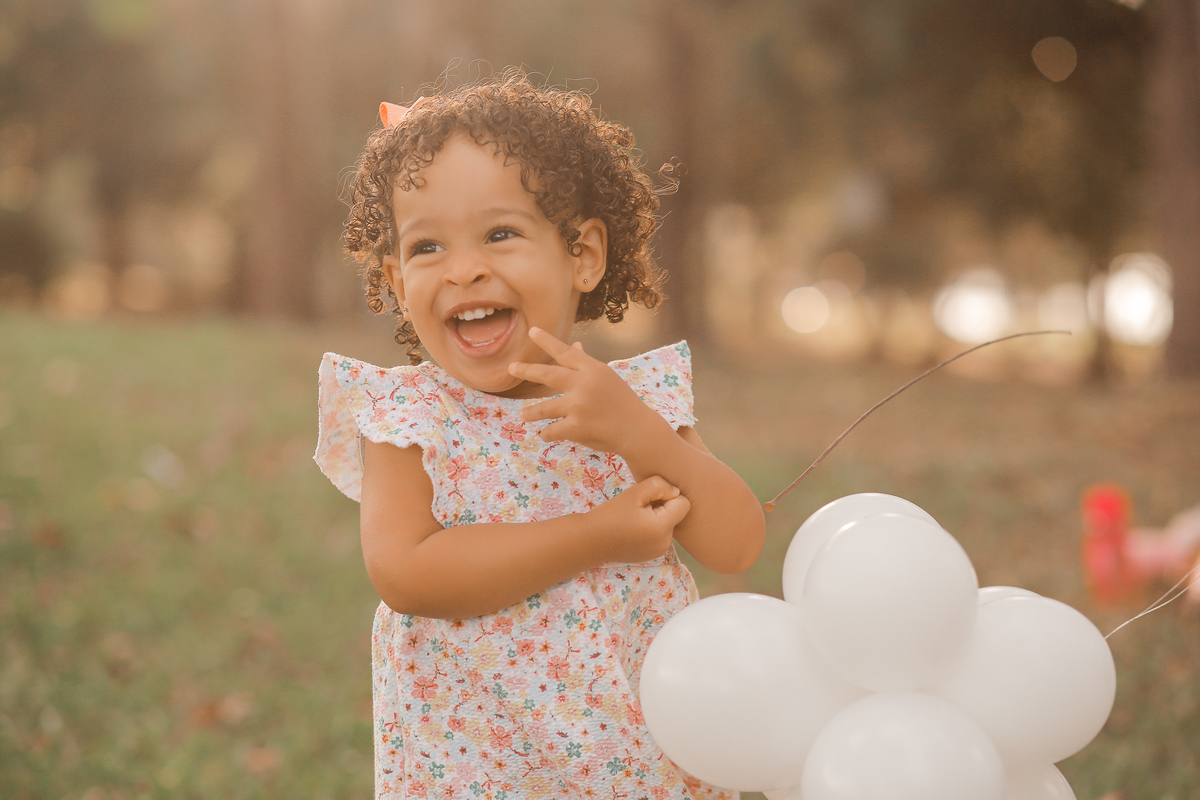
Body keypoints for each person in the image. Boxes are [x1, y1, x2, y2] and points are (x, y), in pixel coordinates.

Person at [315, 68, 765, 800]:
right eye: (428, 249)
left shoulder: (634, 403)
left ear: (582, 254)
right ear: (398, 283)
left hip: (635, 764)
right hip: (475, 771)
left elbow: (738, 542)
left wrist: (641, 435)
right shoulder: (409, 419)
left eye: (500, 233)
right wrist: (596, 536)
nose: (463, 270)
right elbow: (408, 573)